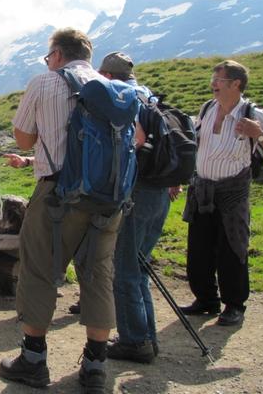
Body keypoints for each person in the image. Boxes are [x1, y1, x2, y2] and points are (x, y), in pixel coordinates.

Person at [0, 28, 123, 393]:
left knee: (38, 269)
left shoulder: (44, 82)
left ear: (56, 55)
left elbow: (24, 137)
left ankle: (33, 360)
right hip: (109, 196)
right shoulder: (113, 87)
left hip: (58, 193)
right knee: (98, 274)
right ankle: (95, 366)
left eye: (48, 56)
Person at [181, 60, 263, 326]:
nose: (213, 85)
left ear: (236, 84)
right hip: (202, 190)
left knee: (232, 249)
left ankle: (234, 305)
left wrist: (259, 135)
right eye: (213, 80)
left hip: (232, 195)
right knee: (199, 250)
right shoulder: (207, 108)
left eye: (219, 80)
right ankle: (206, 299)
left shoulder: (253, 114)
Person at [96, 52, 181, 363]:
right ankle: (146, 337)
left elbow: (138, 139)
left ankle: (134, 342)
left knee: (125, 270)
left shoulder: (126, 98)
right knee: (139, 268)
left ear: (107, 76)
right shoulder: (149, 96)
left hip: (138, 192)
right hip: (159, 192)